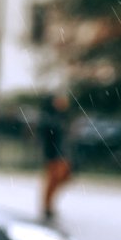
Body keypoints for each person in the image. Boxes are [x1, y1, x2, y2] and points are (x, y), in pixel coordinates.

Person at [39, 92, 73, 221]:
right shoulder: (49, 117)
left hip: (63, 153)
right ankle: (47, 206)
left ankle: (49, 205)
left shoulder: (63, 117)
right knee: (53, 180)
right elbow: (48, 135)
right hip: (54, 153)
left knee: (63, 177)